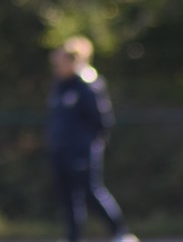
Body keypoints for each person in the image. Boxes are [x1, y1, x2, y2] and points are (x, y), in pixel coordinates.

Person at [47, 36, 136, 242]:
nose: (57, 68)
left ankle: (121, 233)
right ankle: (73, 238)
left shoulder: (87, 85)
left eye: (60, 63)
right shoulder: (60, 86)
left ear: (73, 61)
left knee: (91, 192)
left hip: (82, 151)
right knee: (68, 197)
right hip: (61, 150)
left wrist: (87, 145)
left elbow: (102, 120)